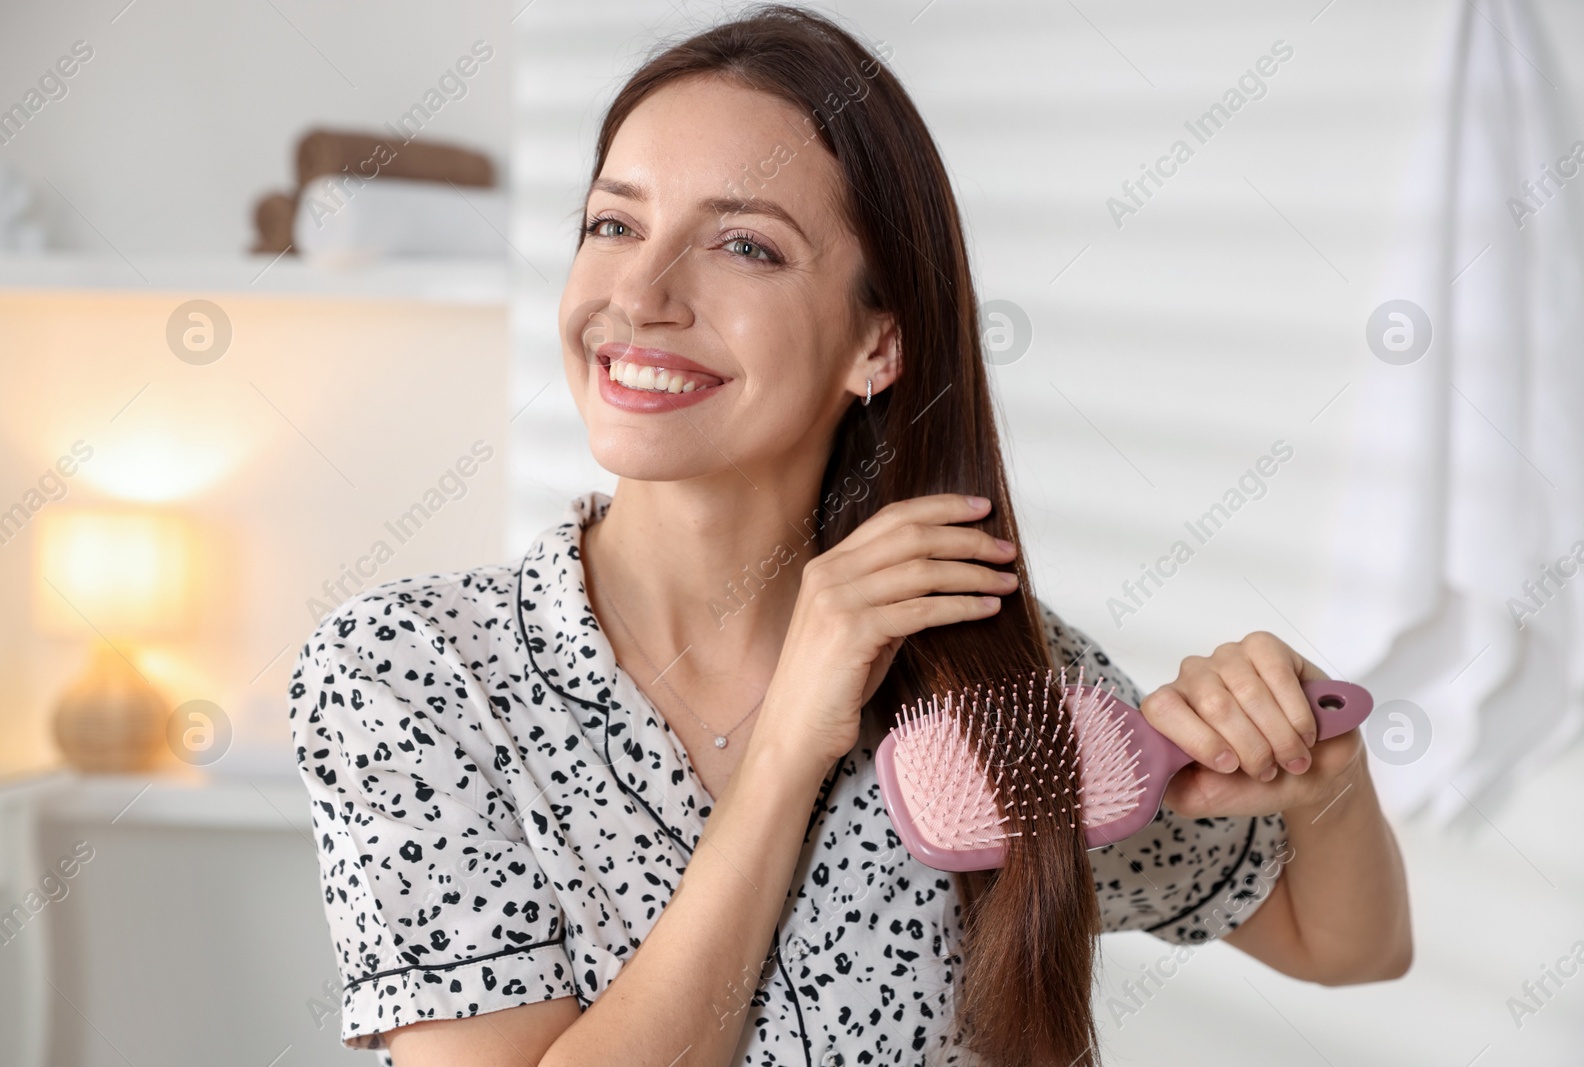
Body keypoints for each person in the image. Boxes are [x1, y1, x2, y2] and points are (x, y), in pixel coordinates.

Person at [287, 7, 1412, 1065]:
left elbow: (1347, 942)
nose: (639, 292)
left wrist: (1322, 778)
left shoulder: (983, 666)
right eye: (614, 223)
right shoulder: (413, 672)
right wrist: (788, 743)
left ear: (877, 343)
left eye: (745, 247)